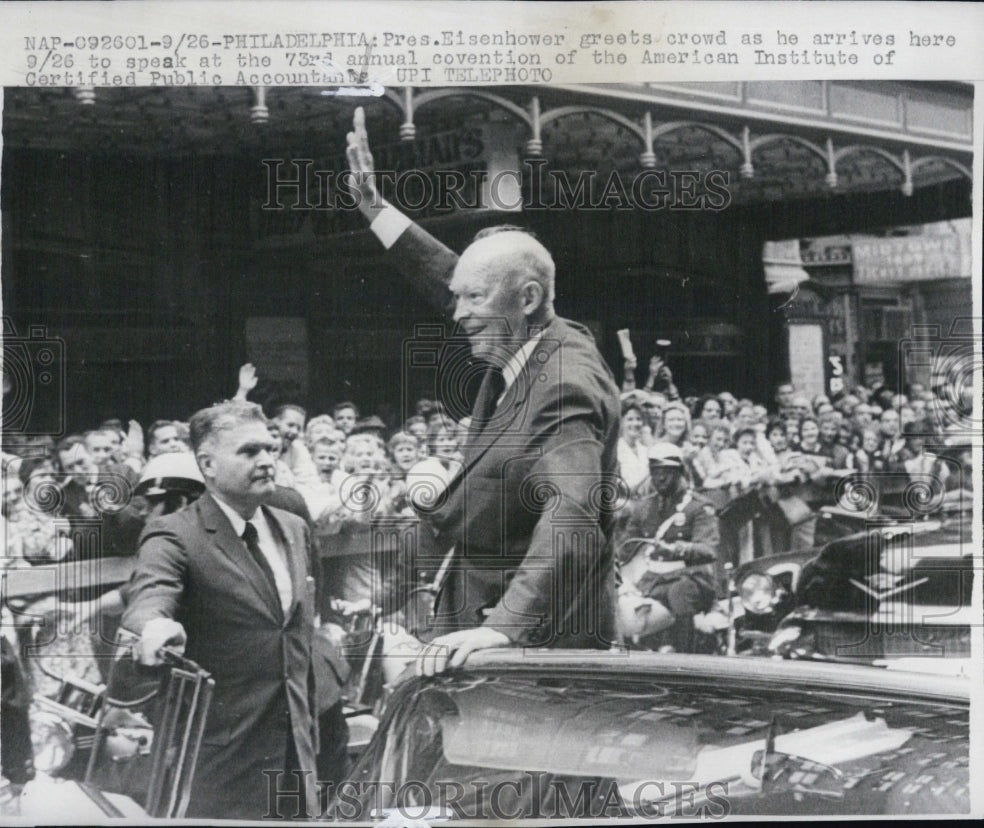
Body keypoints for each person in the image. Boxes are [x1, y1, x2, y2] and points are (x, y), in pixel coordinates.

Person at [346, 107, 620, 670]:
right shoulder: (527, 334)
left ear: (525, 299)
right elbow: (450, 274)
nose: (458, 314)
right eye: (460, 297)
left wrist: (504, 629)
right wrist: (376, 209)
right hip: (492, 625)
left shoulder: (564, 384)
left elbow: (572, 516)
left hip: (537, 648)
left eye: (474, 301)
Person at [122, 400, 324, 819]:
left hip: (296, 756)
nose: (267, 460)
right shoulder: (174, 533)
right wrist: (155, 626)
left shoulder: (295, 528)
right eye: (249, 452)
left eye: (271, 449)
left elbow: (297, 634)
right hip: (221, 764)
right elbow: (151, 594)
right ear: (207, 464)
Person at [617, 443, 719, 652]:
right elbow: (626, 549)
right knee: (627, 605)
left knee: (678, 594)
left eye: (667, 472)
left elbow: (709, 550)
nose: (660, 478)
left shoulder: (698, 507)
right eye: (656, 472)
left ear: (680, 472)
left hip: (691, 578)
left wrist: (675, 548)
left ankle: (686, 657)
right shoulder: (644, 507)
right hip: (653, 579)